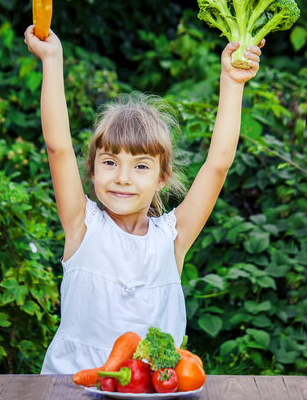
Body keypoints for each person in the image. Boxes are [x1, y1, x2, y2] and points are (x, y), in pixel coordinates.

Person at [24, 23, 264, 375]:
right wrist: (52, 59)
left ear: (161, 178)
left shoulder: (173, 237)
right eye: (109, 162)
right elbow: (58, 147)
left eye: (140, 166)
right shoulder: (81, 225)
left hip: (152, 393)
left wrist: (232, 82)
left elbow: (217, 165)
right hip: (68, 388)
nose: (122, 177)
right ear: (91, 171)